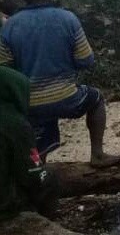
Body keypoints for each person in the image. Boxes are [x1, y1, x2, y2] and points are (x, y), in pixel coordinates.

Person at [0, 0, 120, 167]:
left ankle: (38, 172)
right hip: (66, 98)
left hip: (29, 102)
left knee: (38, 138)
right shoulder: (68, 19)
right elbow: (86, 60)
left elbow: (5, 69)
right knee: (96, 99)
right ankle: (97, 154)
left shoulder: (11, 25)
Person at [0, 66, 57, 221]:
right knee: (48, 177)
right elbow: (32, 173)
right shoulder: (16, 125)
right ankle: (42, 223)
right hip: (5, 208)